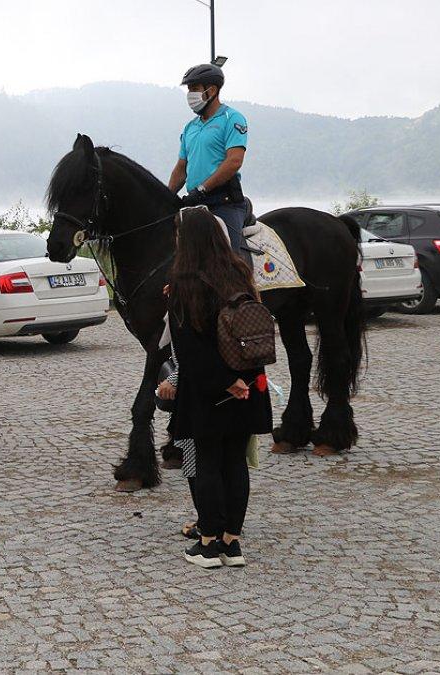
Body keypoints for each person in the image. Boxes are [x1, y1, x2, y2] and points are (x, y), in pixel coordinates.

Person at [156, 207, 271, 568]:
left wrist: (224, 382)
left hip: (209, 391)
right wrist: (241, 380)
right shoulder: (238, 271)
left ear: (186, 241)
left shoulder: (185, 284)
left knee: (206, 462)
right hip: (250, 383)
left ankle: (208, 544)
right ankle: (231, 543)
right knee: (235, 462)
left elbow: (190, 350)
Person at [167, 63, 253, 266]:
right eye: (188, 90)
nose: (190, 95)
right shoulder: (190, 127)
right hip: (195, 204)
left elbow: (234, 161)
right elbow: (181, 169)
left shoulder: (232, 118)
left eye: (194, 89)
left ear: (211, 90)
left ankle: (249, 294)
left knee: (230, 262)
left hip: (224, 202)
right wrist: (166, 196)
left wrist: (202, 189)